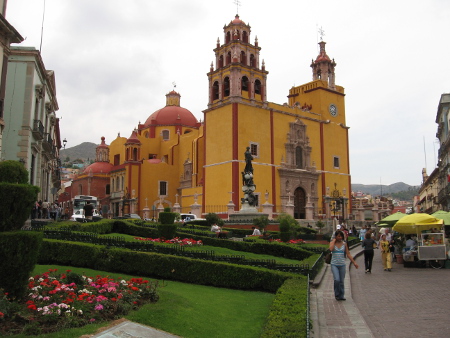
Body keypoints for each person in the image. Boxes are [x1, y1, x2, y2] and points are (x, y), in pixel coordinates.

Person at [329, 230, 359, 301]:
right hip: (334, 264)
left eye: (341, 236)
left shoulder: (344, 244)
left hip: (342, 264)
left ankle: (341, 295)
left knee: (341, 281)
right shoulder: (332, 243)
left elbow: (348, 253)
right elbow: (331, 249)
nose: (340, 237)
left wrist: (354, 262)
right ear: (336, 236)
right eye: (338, 236)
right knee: (337, 279)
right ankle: (336, 294)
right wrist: (333, 241)